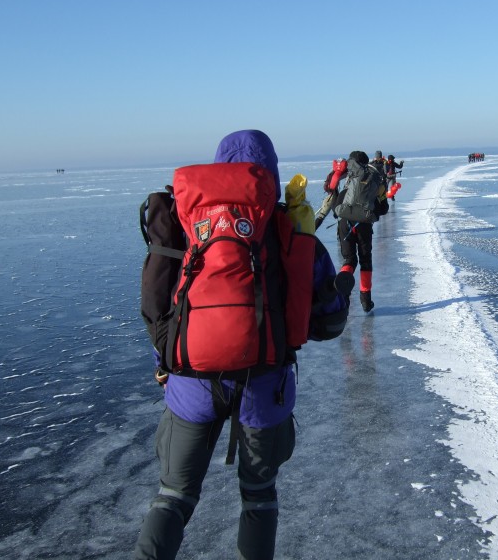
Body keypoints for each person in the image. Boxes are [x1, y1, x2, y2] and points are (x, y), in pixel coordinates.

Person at [134, 130, 348, 560]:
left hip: (191, 380)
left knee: (173, 496)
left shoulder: (189, 225)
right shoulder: (291, 227)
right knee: (259, 496)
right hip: (264, 385)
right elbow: (328, 325)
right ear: (268, 173)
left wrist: (165, 364)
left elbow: (162, 304)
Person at [334, 150, 389, 313]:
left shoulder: (344, 178)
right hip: (364, 225)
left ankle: (343, 296)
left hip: (345, 224)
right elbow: (383, 208)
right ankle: (366, 300)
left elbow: (335, 204)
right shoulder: (375, 180)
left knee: (349, 260)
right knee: (365, 260)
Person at [313, 157, 347, 230]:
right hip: (340, 197)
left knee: (321, 215)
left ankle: (311, 232)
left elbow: (327, 185)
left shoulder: (333, 172)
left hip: (330, 196)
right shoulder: (346, 173)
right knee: (341, 217)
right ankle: (341, 235)